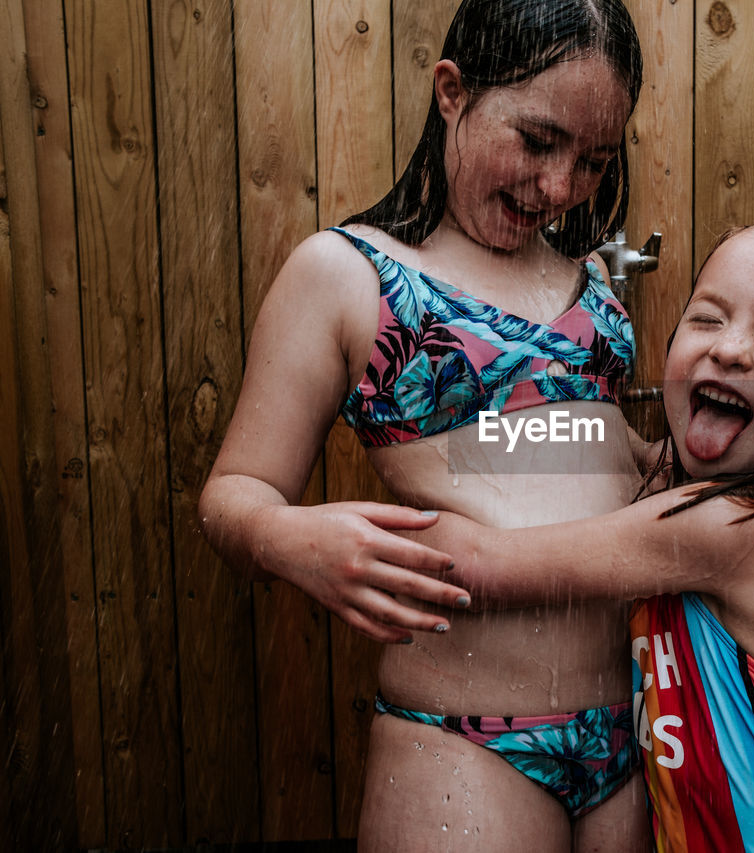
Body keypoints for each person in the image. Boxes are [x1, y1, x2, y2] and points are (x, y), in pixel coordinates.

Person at [198, 1, 650, 849]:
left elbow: (584, 448)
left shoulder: (590, 275)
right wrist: (289, 539)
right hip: (465, 740)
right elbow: (233, 493)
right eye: (538, 141)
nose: (559, 189)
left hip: (632, 725)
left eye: (592, 161)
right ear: (452, 92)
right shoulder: (345, 273)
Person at [416, 220, 754, 851]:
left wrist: (342, 516)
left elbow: (485, 564)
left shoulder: (743, 532)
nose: (731, 350)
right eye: (708, 319)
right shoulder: (697, 497)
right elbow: (614, 448)